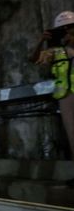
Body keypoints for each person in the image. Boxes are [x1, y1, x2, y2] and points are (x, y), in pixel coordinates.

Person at [31, 10, 74, 187]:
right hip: (66, 96)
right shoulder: (56, 51)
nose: (67, 32)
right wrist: (42, 41)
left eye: (70, 28)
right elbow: (34, 59)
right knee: (73, 136)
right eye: (62, 29)